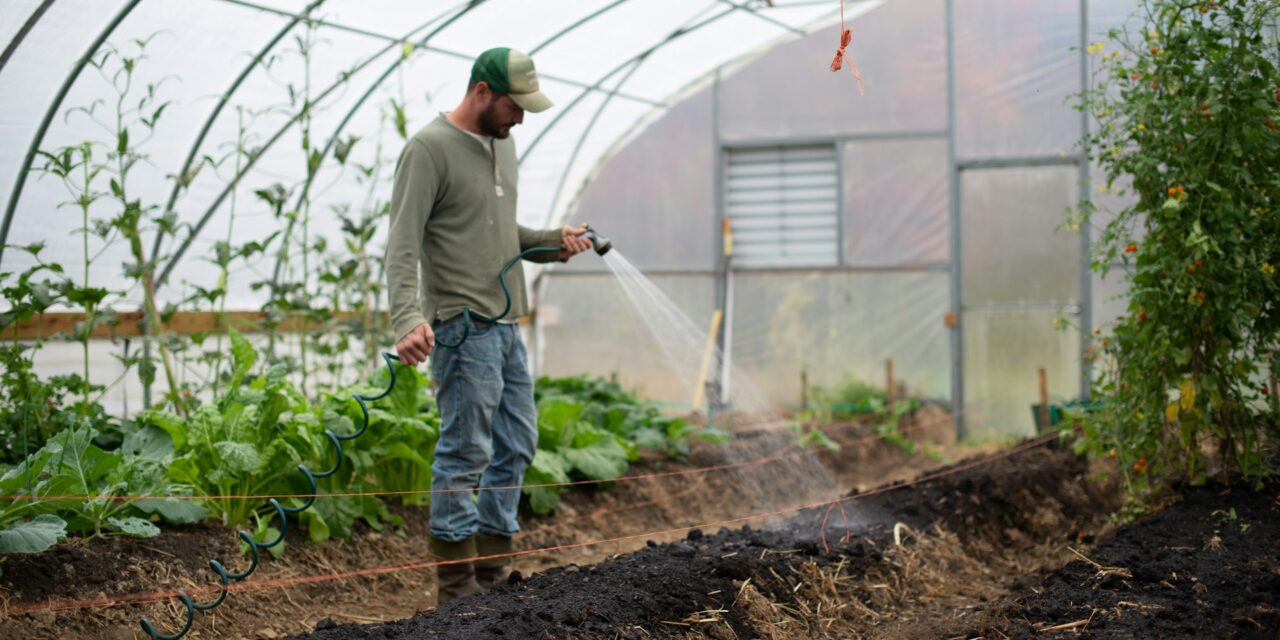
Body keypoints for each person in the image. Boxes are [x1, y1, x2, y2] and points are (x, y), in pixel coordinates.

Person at [384, 47, 593, 605]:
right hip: (462, 327)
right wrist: (407, 318)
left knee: (518, 441)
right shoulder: (428, 150)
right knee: (465, 451)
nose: (521, 117)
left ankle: (493, 576)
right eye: (514, 106)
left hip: (506, 327)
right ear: (482, 91)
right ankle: (456, 588)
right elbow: (402, 244)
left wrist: (555, 242)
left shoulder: (504, 145)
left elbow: (502, 236)